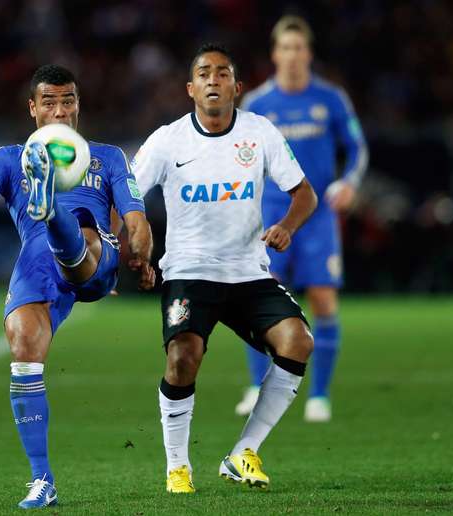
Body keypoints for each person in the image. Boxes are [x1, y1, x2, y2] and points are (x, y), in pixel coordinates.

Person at [0, 64, 155, 509]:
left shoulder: (108, 157)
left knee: (78, 236)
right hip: (37, 264)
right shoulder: (8, 158)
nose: (60, 110)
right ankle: (42, 480)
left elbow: (136, 219)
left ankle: (51, 210)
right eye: (49, 102)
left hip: (97, 250)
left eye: (68, 101)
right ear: (32, 109)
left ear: (78, 104)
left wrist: (141, 253)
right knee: (24, 346)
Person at [131, 43, 317, 493]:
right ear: (190, 88)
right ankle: (178, 466)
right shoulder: (168, 139)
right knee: (183, 358)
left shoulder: (260, 132)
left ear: (237, 86)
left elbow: (304, 193)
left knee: (298, 341)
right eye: (204, 73)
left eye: (222, 73)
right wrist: (135, 244)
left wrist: (288, 227)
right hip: (189, 272)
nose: (213, 79)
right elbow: (128, 193)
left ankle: (244, 451)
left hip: (248, 271)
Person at [236, 15, 368, 422]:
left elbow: (357, 148)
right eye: (285, 48)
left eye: (299, 48)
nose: (292, 55)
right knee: (261, 299)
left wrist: (349, 182)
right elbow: (237, 159)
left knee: (323, 299)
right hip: (271, 213)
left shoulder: (330, 99)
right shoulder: (257, 104)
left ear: (308, 53)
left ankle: (320, 396)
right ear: (275, 54)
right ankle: (259, 386)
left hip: (317, 214)